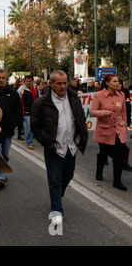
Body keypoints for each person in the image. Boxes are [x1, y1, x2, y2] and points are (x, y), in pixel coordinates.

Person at [30, 70, 88, 226]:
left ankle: (57, 197)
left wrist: (80, 137)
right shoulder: (42, 102)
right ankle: (56, 210)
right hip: (54, 148)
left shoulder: (74, 98)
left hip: (71, 146)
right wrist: (47, 142)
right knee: (55, 180)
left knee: (67, 176)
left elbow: (81, 117)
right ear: (51, 84)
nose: (63, 86)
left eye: (65, 82)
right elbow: (35, 126)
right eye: (59, 83)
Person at [90, 74, 128, 190]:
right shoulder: (99, 95)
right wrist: (104, 112)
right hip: (105, 129)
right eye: (114, 81)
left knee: (119, 154)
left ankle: (117, 181)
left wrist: (125, 127)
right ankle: (99, 171)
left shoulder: (121, 95)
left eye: (118, 81)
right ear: (107, 83)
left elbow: (124, 113)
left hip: (119, 129)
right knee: (104, 152)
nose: (117, 83)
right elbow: (92, 111)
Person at [17, 74, 39, 149]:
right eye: (27, 81)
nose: (28, 83)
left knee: (33, 125)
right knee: (28, 126)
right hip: (25, 111)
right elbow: (17, 101)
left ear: (32, 81)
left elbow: (38, 98)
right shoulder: (21, 90)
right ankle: (29, 142)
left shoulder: (36, 88)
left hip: (34, 111)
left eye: (30, 81)